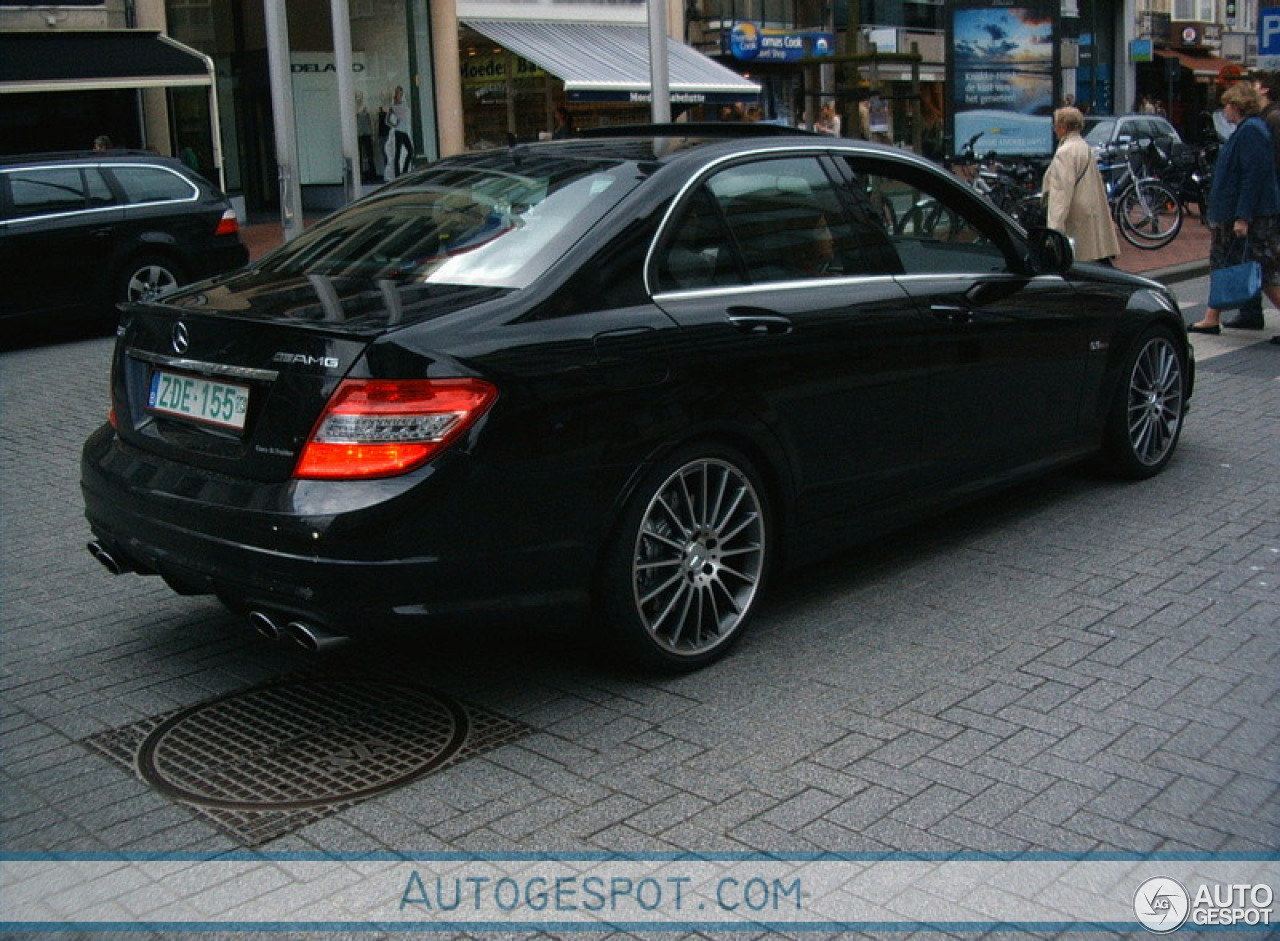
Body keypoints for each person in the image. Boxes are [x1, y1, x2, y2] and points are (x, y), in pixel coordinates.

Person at [1189, 82, 1280, 335]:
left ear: (1236, 106)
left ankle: (1211, 317)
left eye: (1226, 105)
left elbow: (1252, 177)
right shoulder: (1248, 130)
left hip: (1247, 215)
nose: (1224, 110)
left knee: (1263, 270)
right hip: (1239, 213)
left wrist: (1243, 217)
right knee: (1228, 263)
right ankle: (1211, 317)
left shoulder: (1251, 131)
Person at [1042, 106, 1121, 265]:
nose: (1054, 129)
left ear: (1063, 127)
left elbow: (1061, 194)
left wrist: (1054, 231)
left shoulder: (1065, 152)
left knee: (1079, 264)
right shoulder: (1084, 146)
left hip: (1076, 217)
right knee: (1096, 260)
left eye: (1056, 125)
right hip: (1090, 212)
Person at [383, 85, 413, 180]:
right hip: (398, 131)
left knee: (410, 151)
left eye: (401, 93)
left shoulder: (404, 103)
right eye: (399, 93)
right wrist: (394, 125)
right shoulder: (393, 106)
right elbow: (387, 120)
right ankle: (397, 175)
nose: (400, 94)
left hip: (404, 131)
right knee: (398, 153)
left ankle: (404, 171)